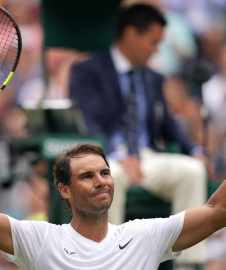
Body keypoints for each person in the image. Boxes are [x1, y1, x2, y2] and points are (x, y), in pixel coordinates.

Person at [0, 128, 225, 270]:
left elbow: (217, 211)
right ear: (64, 190)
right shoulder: (40, 239)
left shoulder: (145, 236)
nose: (101, 181)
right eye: (87, 176)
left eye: (105, 173)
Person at [69, 3, 212, 268]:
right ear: (132, 33)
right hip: (106, 156)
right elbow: (86, 122)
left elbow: (168, 126)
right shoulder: (88, 70)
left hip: (148, 158)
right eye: (153, 41)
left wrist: (195, 151)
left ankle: (189, 265)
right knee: (112, 178)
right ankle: (109, 261)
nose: (157, 50)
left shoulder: (154, 77)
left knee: (192, 170)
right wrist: (116, 156)